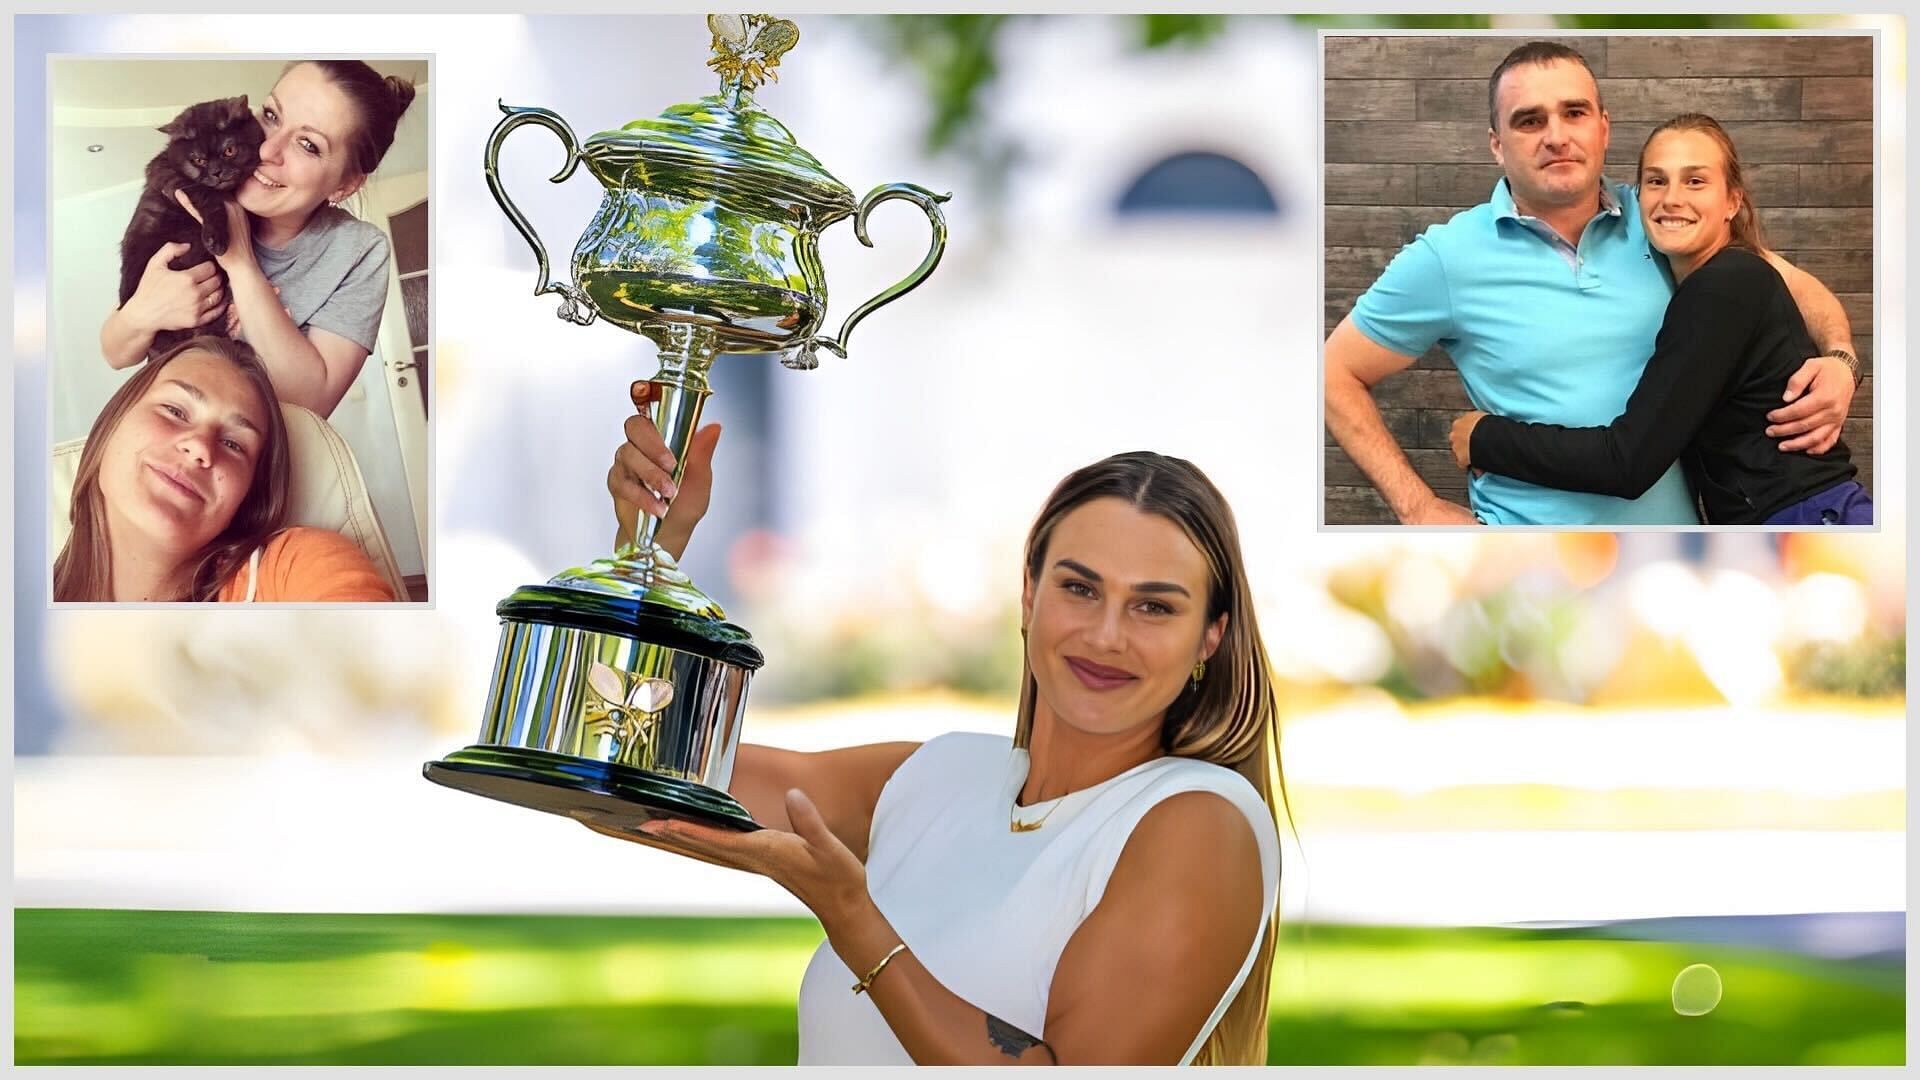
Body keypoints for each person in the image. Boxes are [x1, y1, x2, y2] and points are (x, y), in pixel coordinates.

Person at [594, 398, 1286, 1065]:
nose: (1106, 635)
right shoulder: (939, 777)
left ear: (1210, 638)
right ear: (1029, 595)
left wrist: (853, 917)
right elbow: (618, 763)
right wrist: (650, 549)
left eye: (1154, 607)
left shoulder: (1198, 821)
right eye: (1079, 589)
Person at [1324, 40, 1858, 525]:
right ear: (1496, 143)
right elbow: (1334, 371)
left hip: (1676, 558)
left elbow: (1786, 282)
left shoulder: (1660, 218)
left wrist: (1840, 360)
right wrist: (1417, 507)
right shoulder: (1447, 257)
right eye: (1529, 121)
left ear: (1603, 127)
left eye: (1573, 113)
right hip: (1528, 564)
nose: (1556, 136)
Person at [1449, 115, 1870, 526]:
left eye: (1695, 180)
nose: (1672, 198)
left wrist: (1484, 437)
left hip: (1808, 518)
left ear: (1733, 201)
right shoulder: (1720, 272)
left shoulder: (1723, 285)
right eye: (1656, 180)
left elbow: (1627, 463)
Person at [101, 60, 417, 417]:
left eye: (308, 145)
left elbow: (308, 405)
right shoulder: (197, 199)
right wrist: (145, 312)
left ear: (345, 185)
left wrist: (241, 265)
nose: (268, 151)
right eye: (271, 115)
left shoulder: (357, 250)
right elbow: (115, 351)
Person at [54, 335, 395, 602]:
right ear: (111, 426)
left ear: (245, 497)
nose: (200, 447)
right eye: (174, 410)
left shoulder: (293, 568)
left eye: (234, 444)